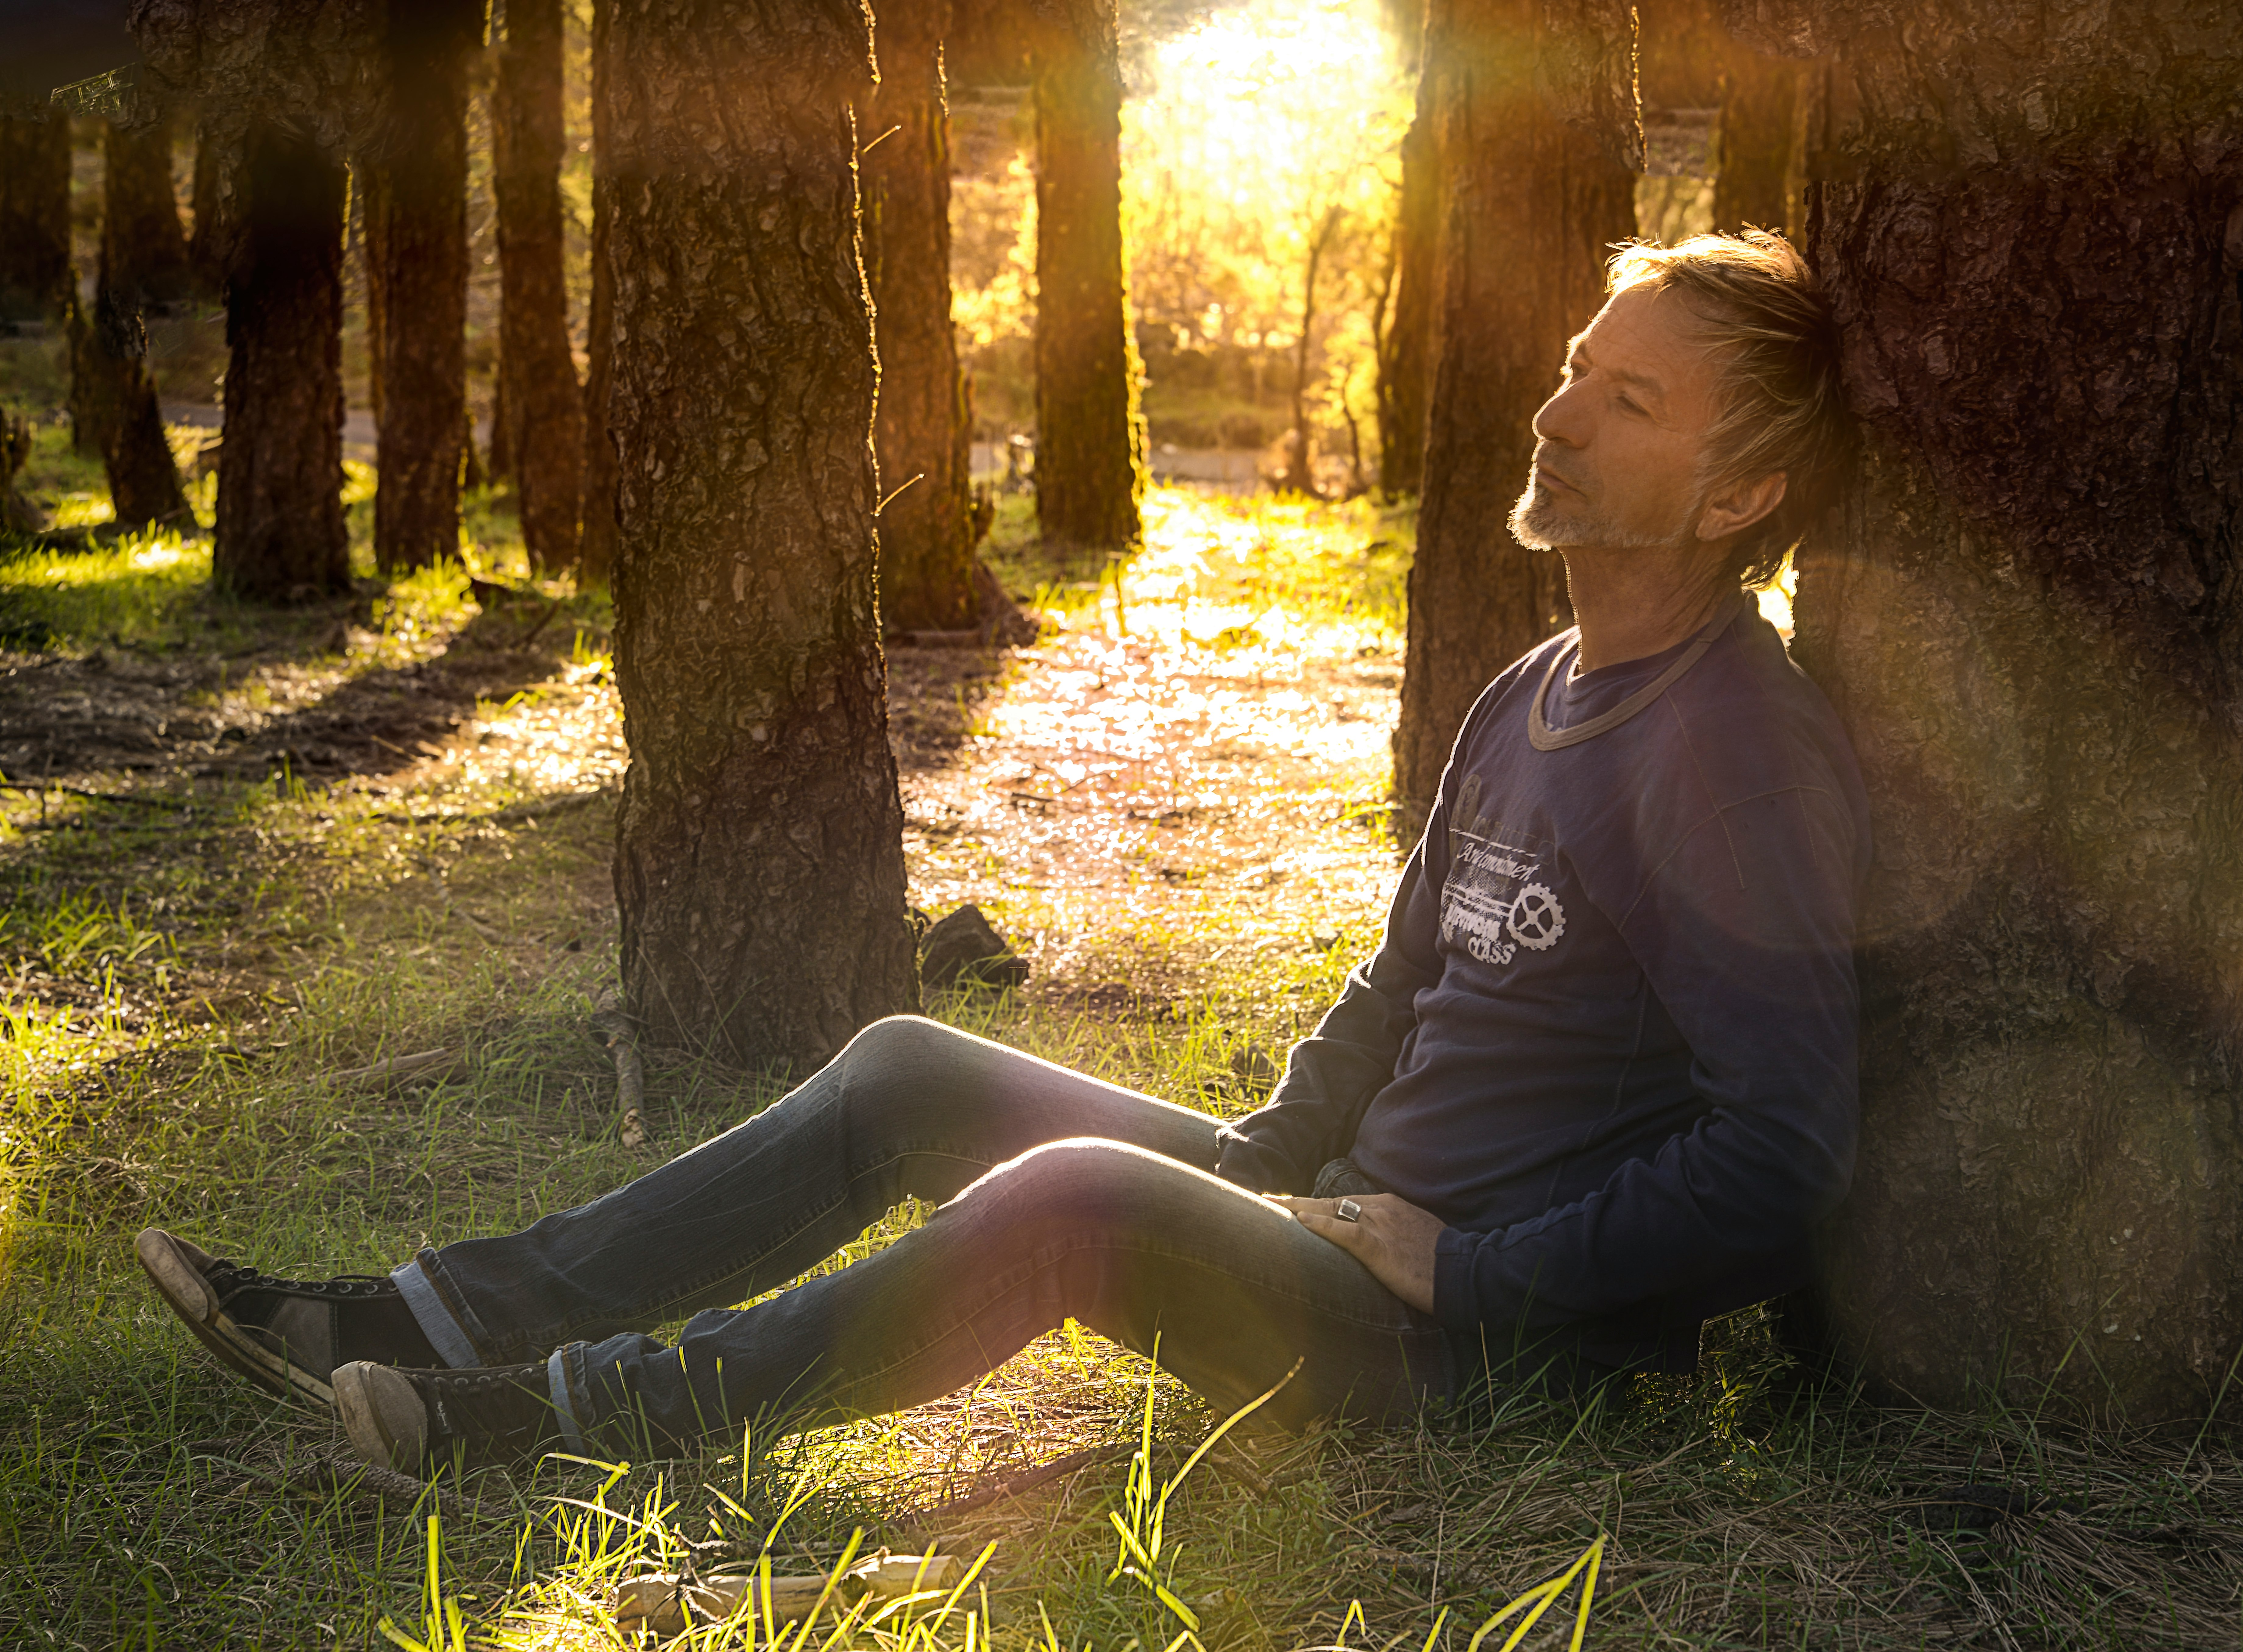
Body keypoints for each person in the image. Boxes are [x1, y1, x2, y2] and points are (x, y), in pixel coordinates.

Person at [136, 231, 1868, 1477]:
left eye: (1629, 400)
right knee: (907, 1066)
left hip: (1470, 1345)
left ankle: (568, 1423)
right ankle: (415, 1323)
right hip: (1342, 1232)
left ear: (1736, 498)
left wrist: (1473, 1270)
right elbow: (1405, 975)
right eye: (1578, 366)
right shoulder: (1537, 684)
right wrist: (1263, 1166)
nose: (1560, 414)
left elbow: (1784, 1152)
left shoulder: (1735, 757)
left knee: (1072, 1197)